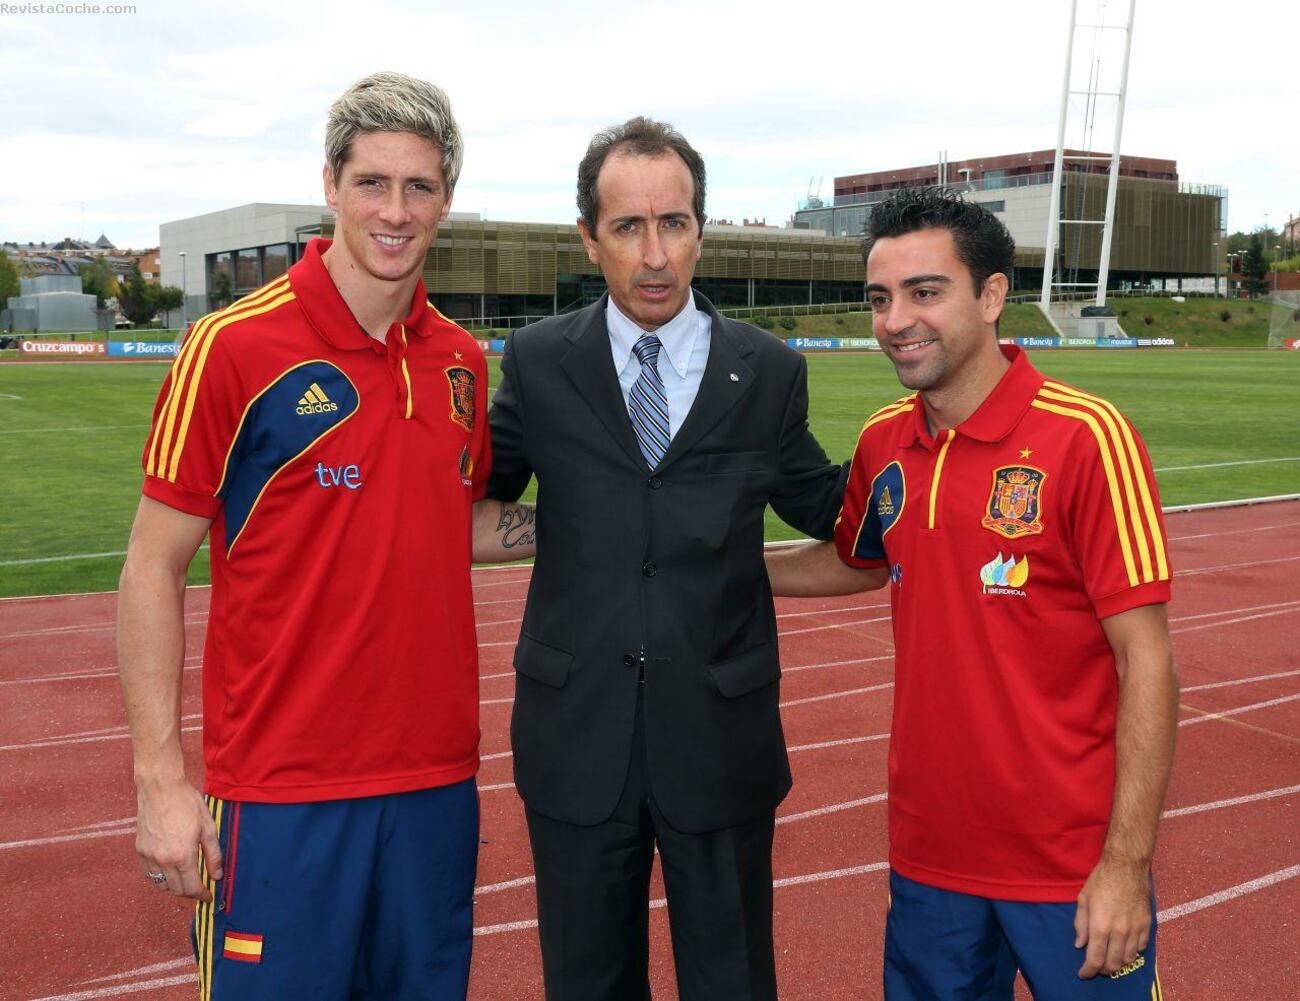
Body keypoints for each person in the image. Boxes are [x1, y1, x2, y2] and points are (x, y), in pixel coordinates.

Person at [117, 71, 533, 1000]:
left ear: (447, 200)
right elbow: (152, 566)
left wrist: (591, 524)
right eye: (373, 183)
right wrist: (159, 780)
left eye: (419, 186)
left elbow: (451, 522)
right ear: (331, 186)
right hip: (280, 794)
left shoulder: (461, 360)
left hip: (433, 789)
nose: (395, 209)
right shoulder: (232, 346)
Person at [767, 186, 1178, 999]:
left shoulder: (1088, 438)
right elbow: (861, 558)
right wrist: (733, 571)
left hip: (1069, 866)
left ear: (992, 296)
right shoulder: (886, 441)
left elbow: (1149, 664)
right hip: (931, 860)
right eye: (880, 298)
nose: (895, 320)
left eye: (925, 291)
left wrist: (1125, 865)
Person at [486, 116, 846, 1000]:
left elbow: (835, 510)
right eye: (628, 227)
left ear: (700, 229)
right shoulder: (538, 360)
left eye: (674, 223)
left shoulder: (766, 372)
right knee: (586, 982)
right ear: (589, 238)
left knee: (731, 981)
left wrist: (938, 432)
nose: (655, 254)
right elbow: (470, 493)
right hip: (576, 737)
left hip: (719, 738)